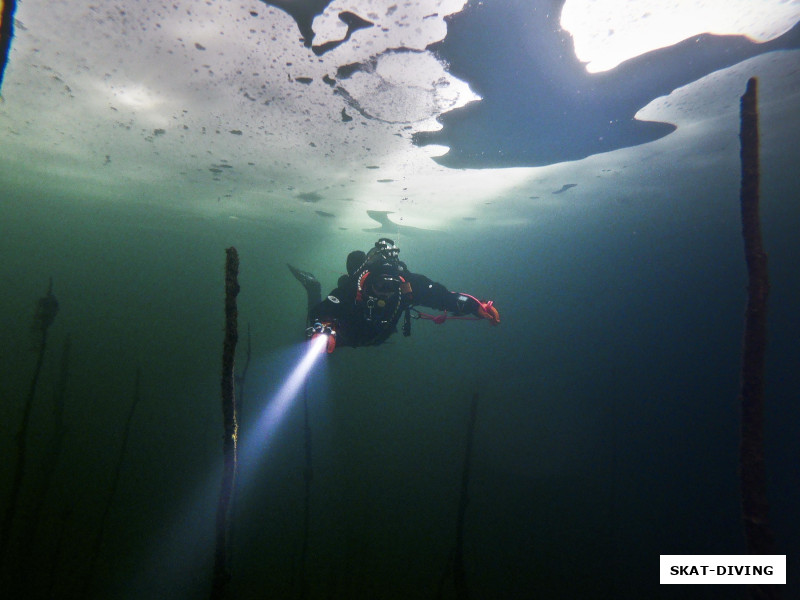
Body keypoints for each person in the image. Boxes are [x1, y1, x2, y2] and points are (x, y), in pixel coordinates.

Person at [288, 238, 500, 353]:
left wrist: (475, 306)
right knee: (311, 342)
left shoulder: (408, 284)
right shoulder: (354, 286)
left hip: (377, 337)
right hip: (345, 334)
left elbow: (443, 297)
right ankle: (312, 286)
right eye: (380, 285)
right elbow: (325, 310)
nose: (386, 291)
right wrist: (324, 329)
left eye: (392, 286)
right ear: (369, 280)